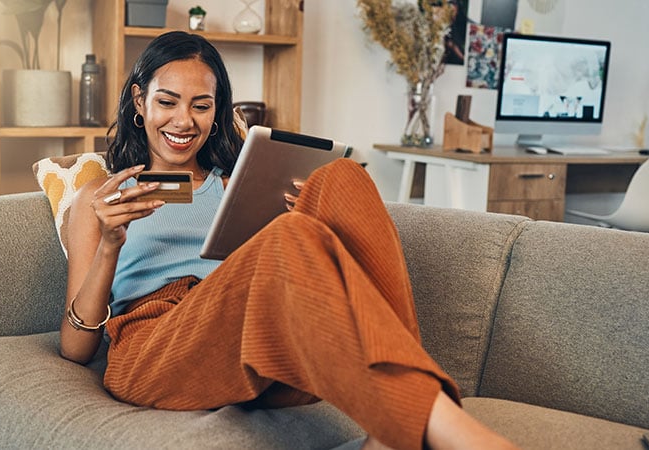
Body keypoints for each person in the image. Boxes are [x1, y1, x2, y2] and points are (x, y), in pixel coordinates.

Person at [61, 31, 518, 450]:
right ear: (139, 101)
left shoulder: (236, 184)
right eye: (168, 102)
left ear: (217, 111)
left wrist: (307, 228)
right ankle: (435, 425)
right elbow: (76, 349)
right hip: (155, 349)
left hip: (255, 348)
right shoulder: (99, 198)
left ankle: (393, 427)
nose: (184, 121)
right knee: (290, 235)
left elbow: (269, 283)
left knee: (341, 177)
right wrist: (109, 245)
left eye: (201, 106)